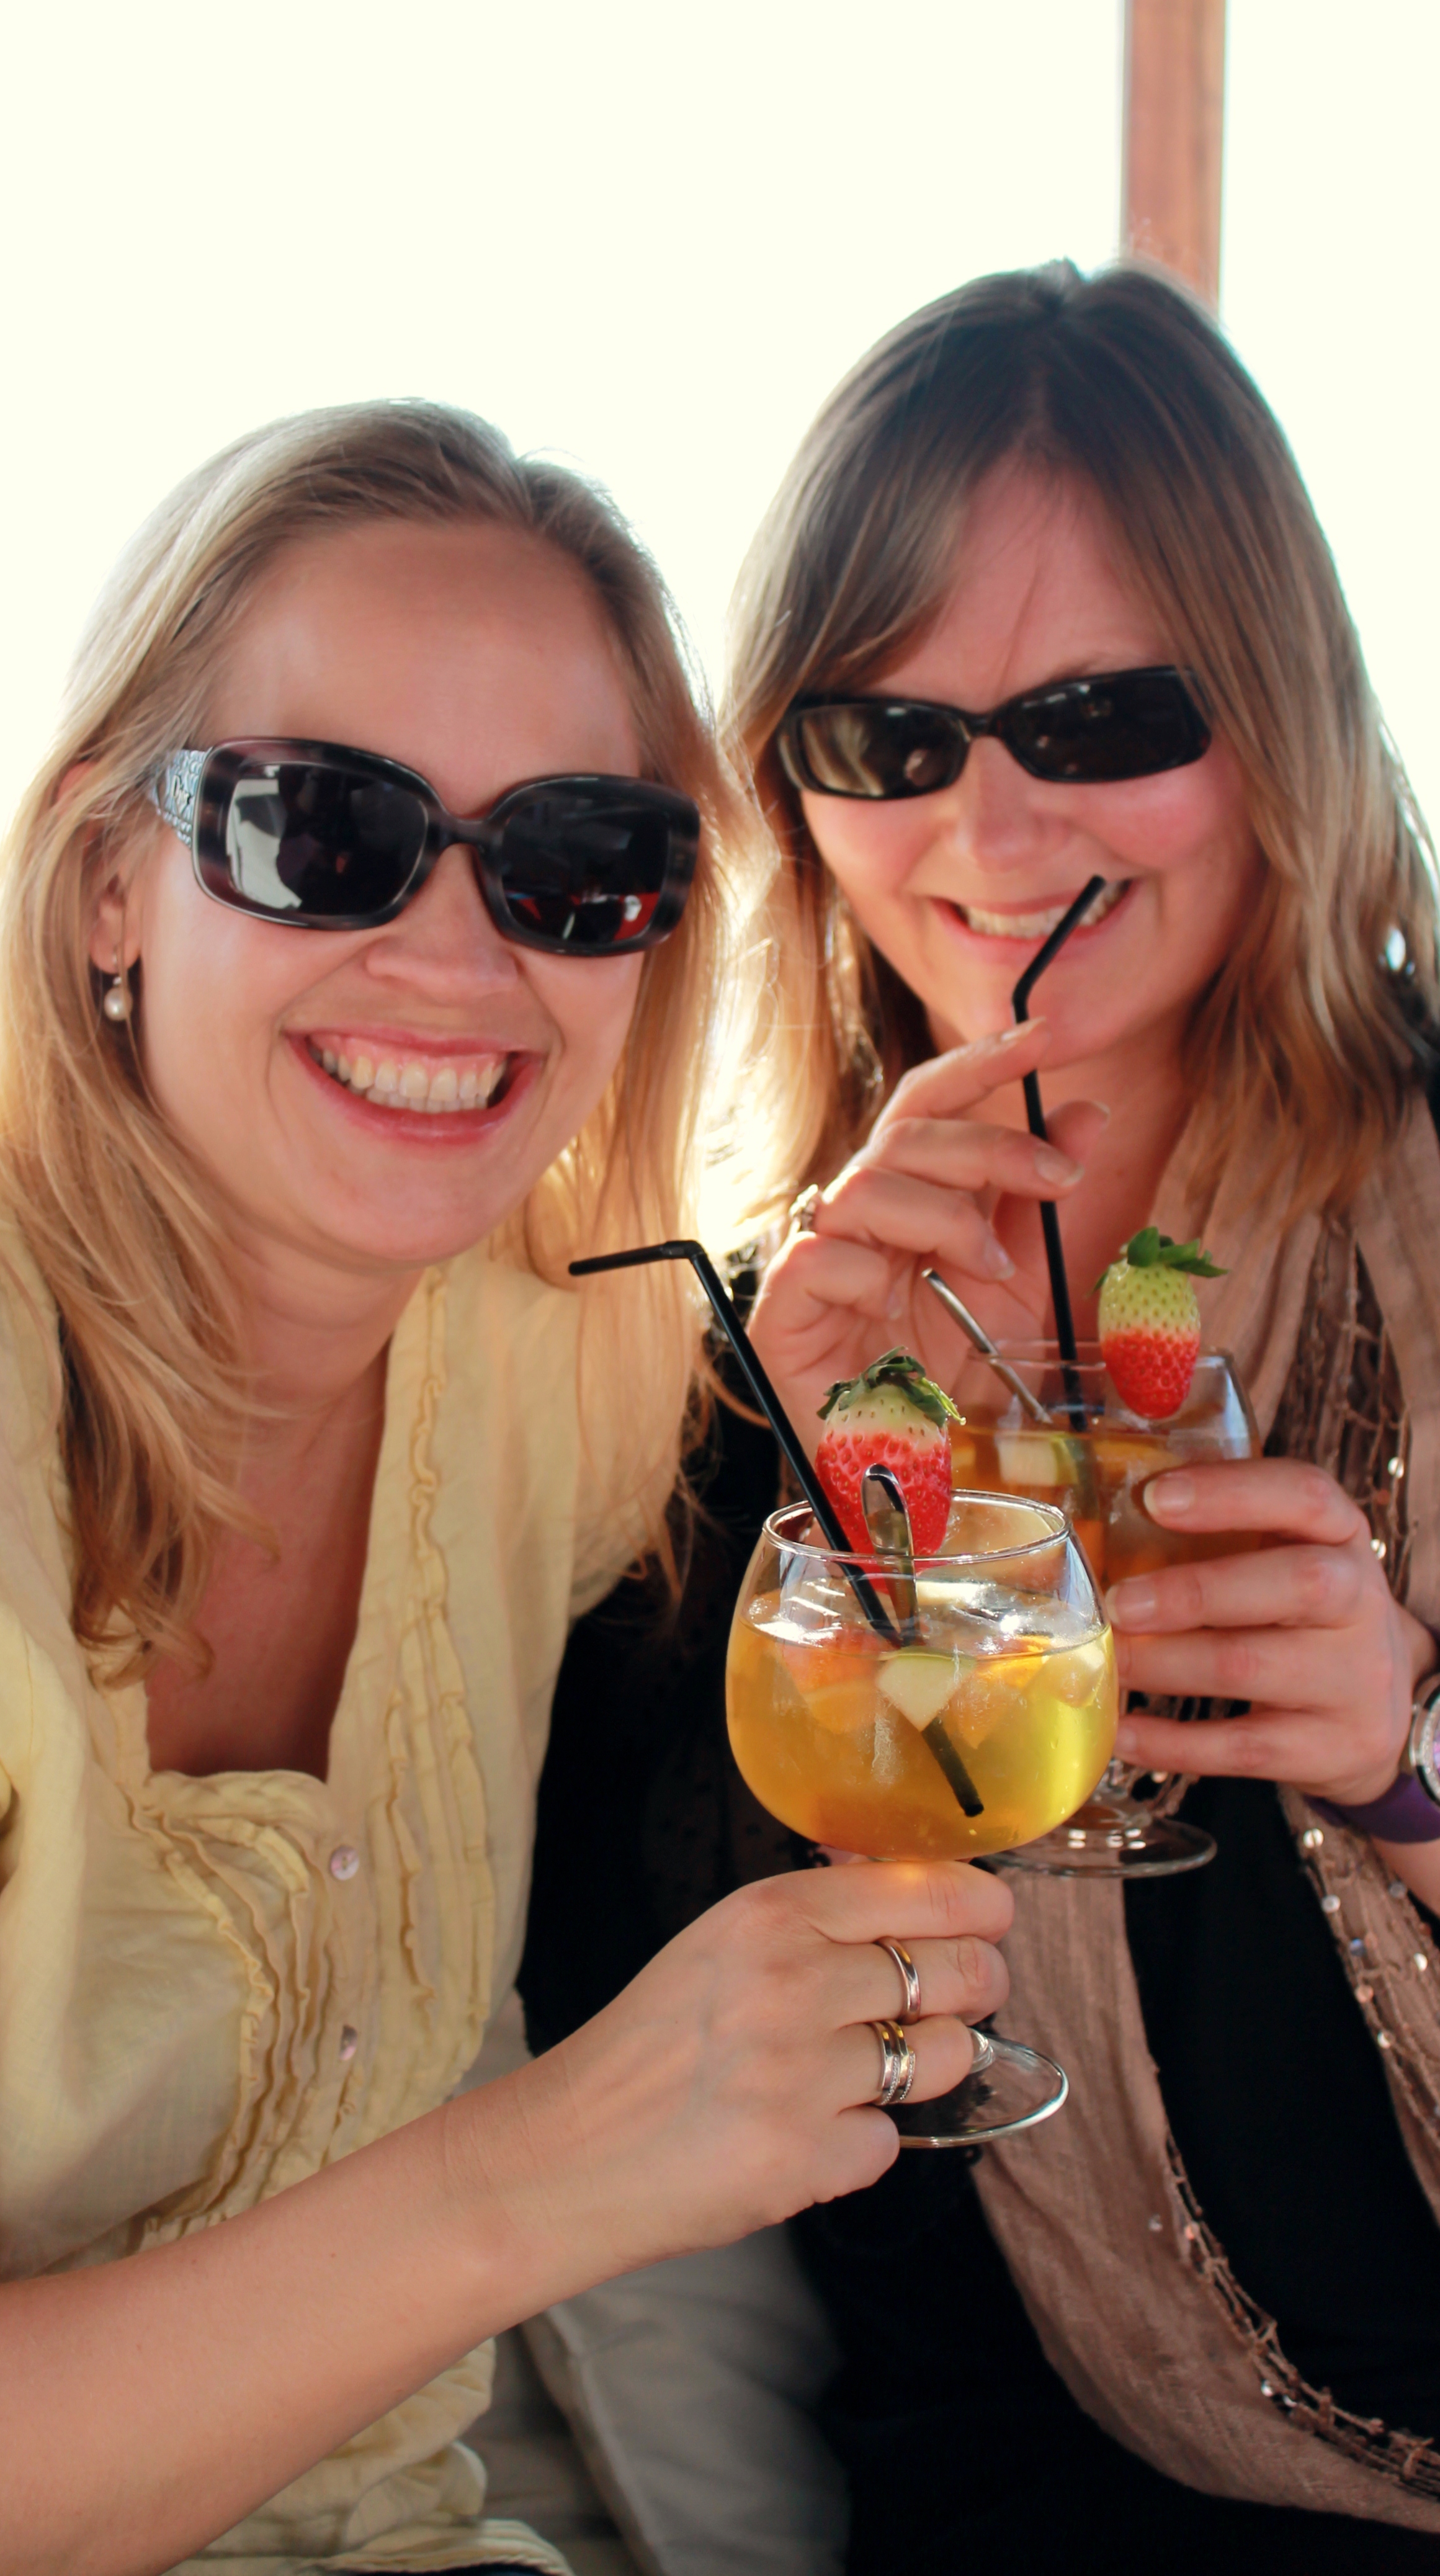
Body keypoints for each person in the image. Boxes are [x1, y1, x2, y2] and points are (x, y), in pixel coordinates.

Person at [0, 403, 1015, 2576]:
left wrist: (822, 1412)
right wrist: (559, 2162)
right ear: (106, 880)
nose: (460, 960)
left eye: (574, 861)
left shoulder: (560, 1360)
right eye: (323, 830)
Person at [522, 266, 1440, 2566]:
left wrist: (1406, 1762)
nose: (991, 835)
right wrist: (823, 1480)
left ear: (1276, 713)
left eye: (1099, 716)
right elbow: (723, 2078)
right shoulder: (738, 1348)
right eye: (889, 741)